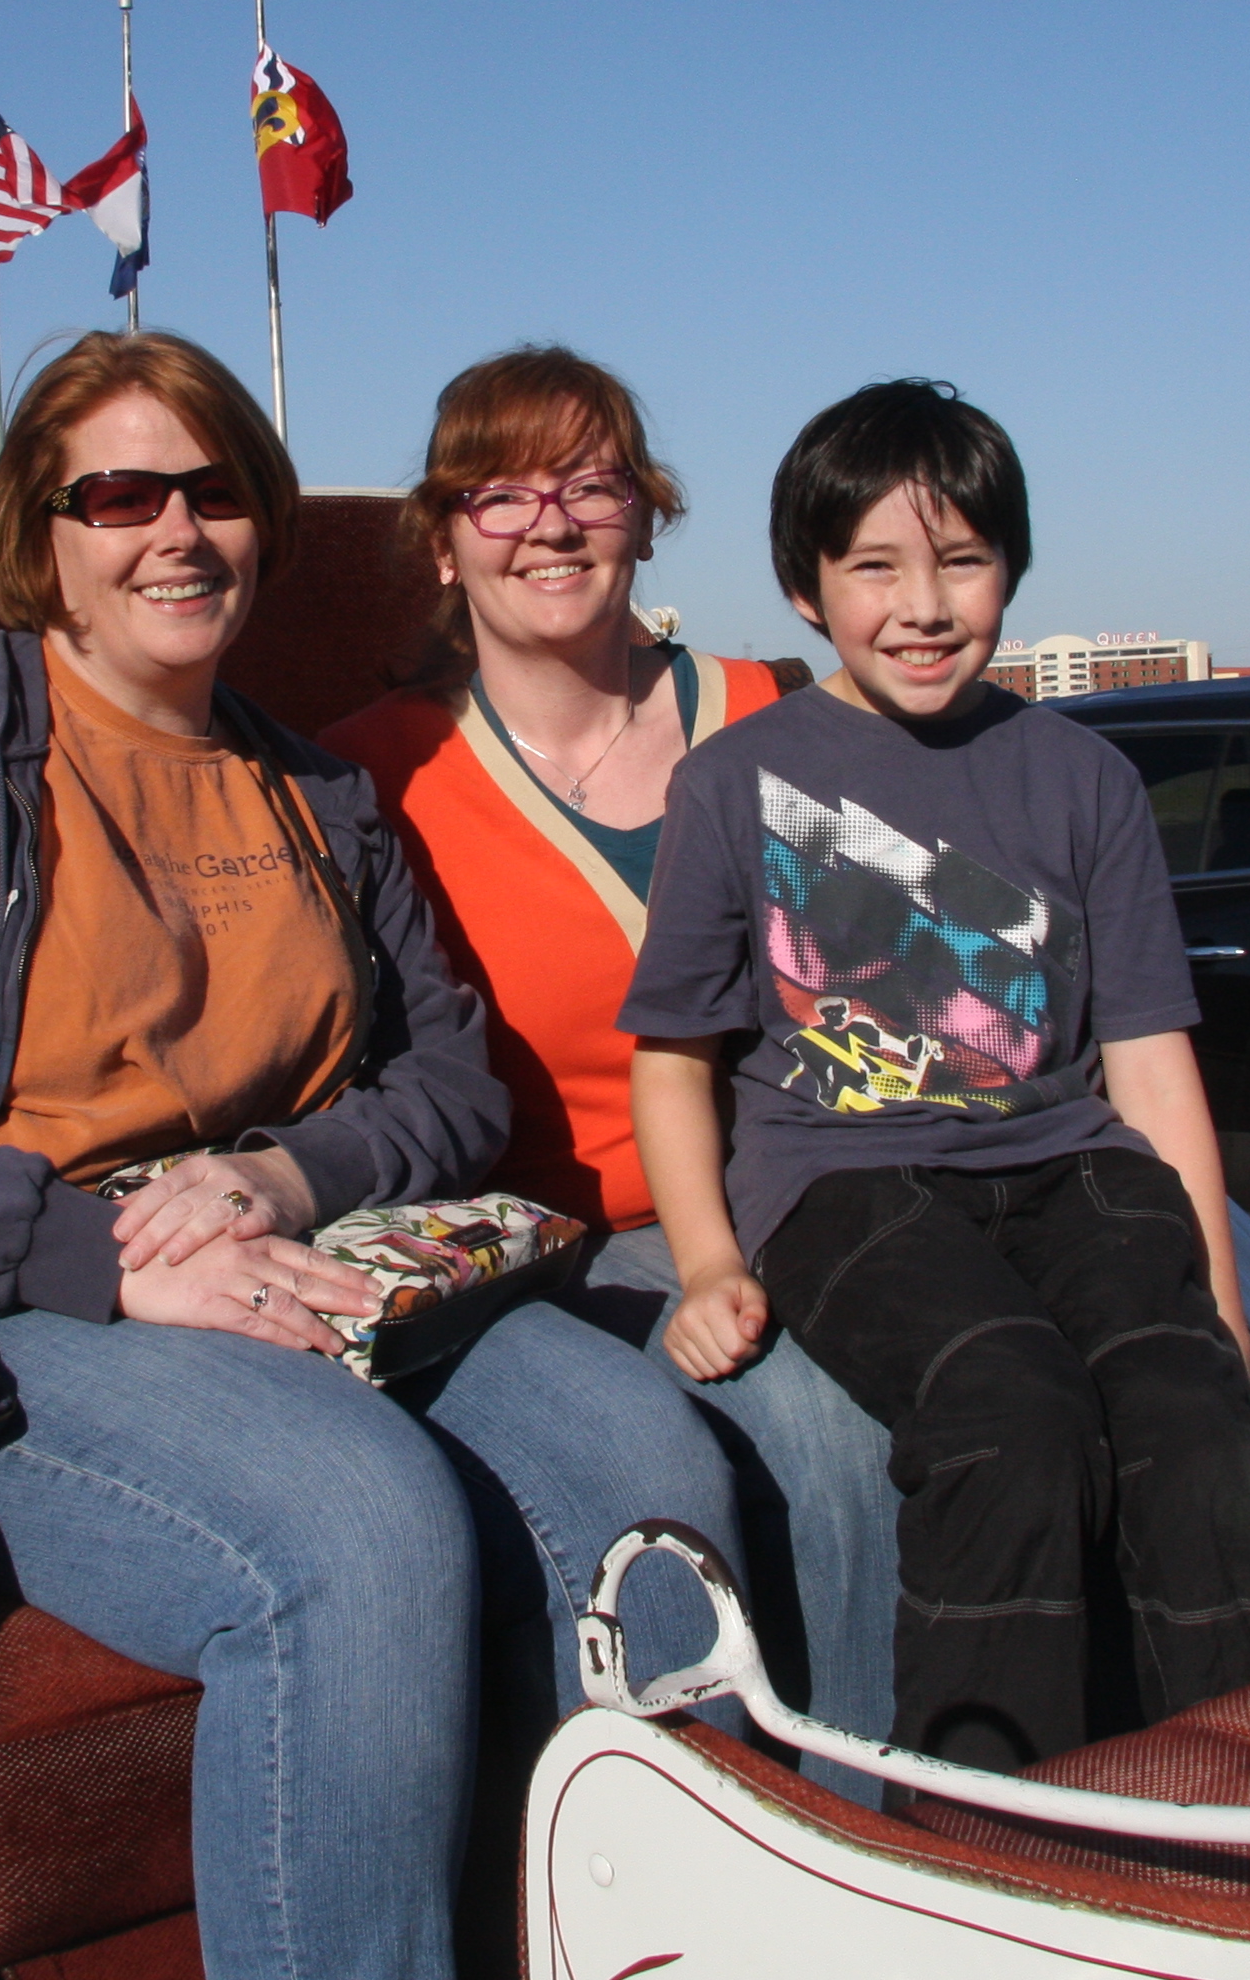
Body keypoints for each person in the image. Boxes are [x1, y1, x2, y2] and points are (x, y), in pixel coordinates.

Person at [0, 330, 735, 1980]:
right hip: (11, 1294)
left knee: (643, 1457)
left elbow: (449, 1084)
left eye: (217, 491)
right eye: (120, 496)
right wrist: (102, 1259)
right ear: (41, 536)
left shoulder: (309, 787)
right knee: (359, 1528)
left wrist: (283, 1178)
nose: (176, 531)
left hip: (306, 1252)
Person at [619, 378, 1250, 1775]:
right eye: (874, 567)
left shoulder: (1085, 777)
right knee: (1011, 1414)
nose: (923, 607)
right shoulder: (734, 783)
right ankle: (983, 1819)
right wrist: (707, 1263)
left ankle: (1243, 1807)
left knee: (1200, 1433)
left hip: (1072, 1171)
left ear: (1012, 568)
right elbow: (676, 1058)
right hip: (848, 1184)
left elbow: (1149, 1059)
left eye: (963, 561)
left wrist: (1222, 1318)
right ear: (807, 588)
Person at [322, 346, 903, 1764]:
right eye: (501, 492)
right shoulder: (373, 776)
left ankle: (912, 1821)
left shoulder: (779, 712)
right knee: (825, 1438)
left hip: (809, 1197)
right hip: (569, 1241)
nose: (552, 522)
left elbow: (910, 992)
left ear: (646, 515)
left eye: (591, 485)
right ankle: (758, 1835)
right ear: (444, 540)